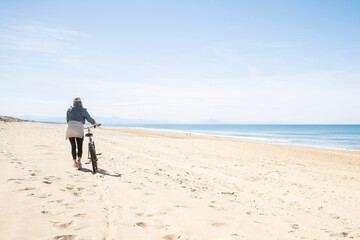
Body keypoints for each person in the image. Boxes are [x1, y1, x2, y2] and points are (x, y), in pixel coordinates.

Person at [66, 97, 100, 170]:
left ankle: (75, 162)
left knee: (73, 146)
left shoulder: (69, 109)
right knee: (79, 146)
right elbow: (89, 118)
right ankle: (79, 161)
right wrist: (94, 123)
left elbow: (68, 120)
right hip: (78, 128)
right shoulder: (83, 110)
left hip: (70, 128)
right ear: (80, 103)